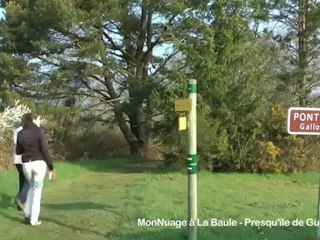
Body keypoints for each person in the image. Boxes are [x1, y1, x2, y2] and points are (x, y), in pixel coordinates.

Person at [16, 113, 56, 226]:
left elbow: (18, 151)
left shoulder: (20, 133)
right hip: (39, 163)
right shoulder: (39, 131)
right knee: (36, 191)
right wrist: (51, 167)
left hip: (26, 164)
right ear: (33, 120)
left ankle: (27, 215)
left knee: (30, 188)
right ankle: (34, 220)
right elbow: (44, 150)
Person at [12, 122, 29, 211]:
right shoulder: (21, 131)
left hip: (17, 159)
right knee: (26, 180)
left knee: (22, 180)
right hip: (22, 159)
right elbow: (17, 143)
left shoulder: (17, 130)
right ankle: (20, 199)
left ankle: (21, 203)